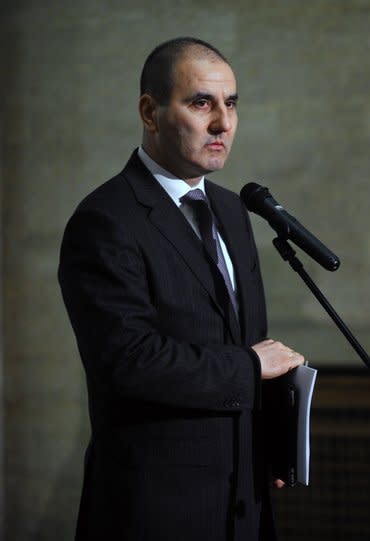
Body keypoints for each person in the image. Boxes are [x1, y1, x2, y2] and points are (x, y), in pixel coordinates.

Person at [58, 37, 305, 541]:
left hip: (245, 502)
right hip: (157, 509)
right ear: (150, 112)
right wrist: (252, 367)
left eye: (231, 103)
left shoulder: (234, 211)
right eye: (201, 103)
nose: (223, 123)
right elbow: (129, 361)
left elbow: (243, 340)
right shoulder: (105, 219)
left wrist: (273, 439)